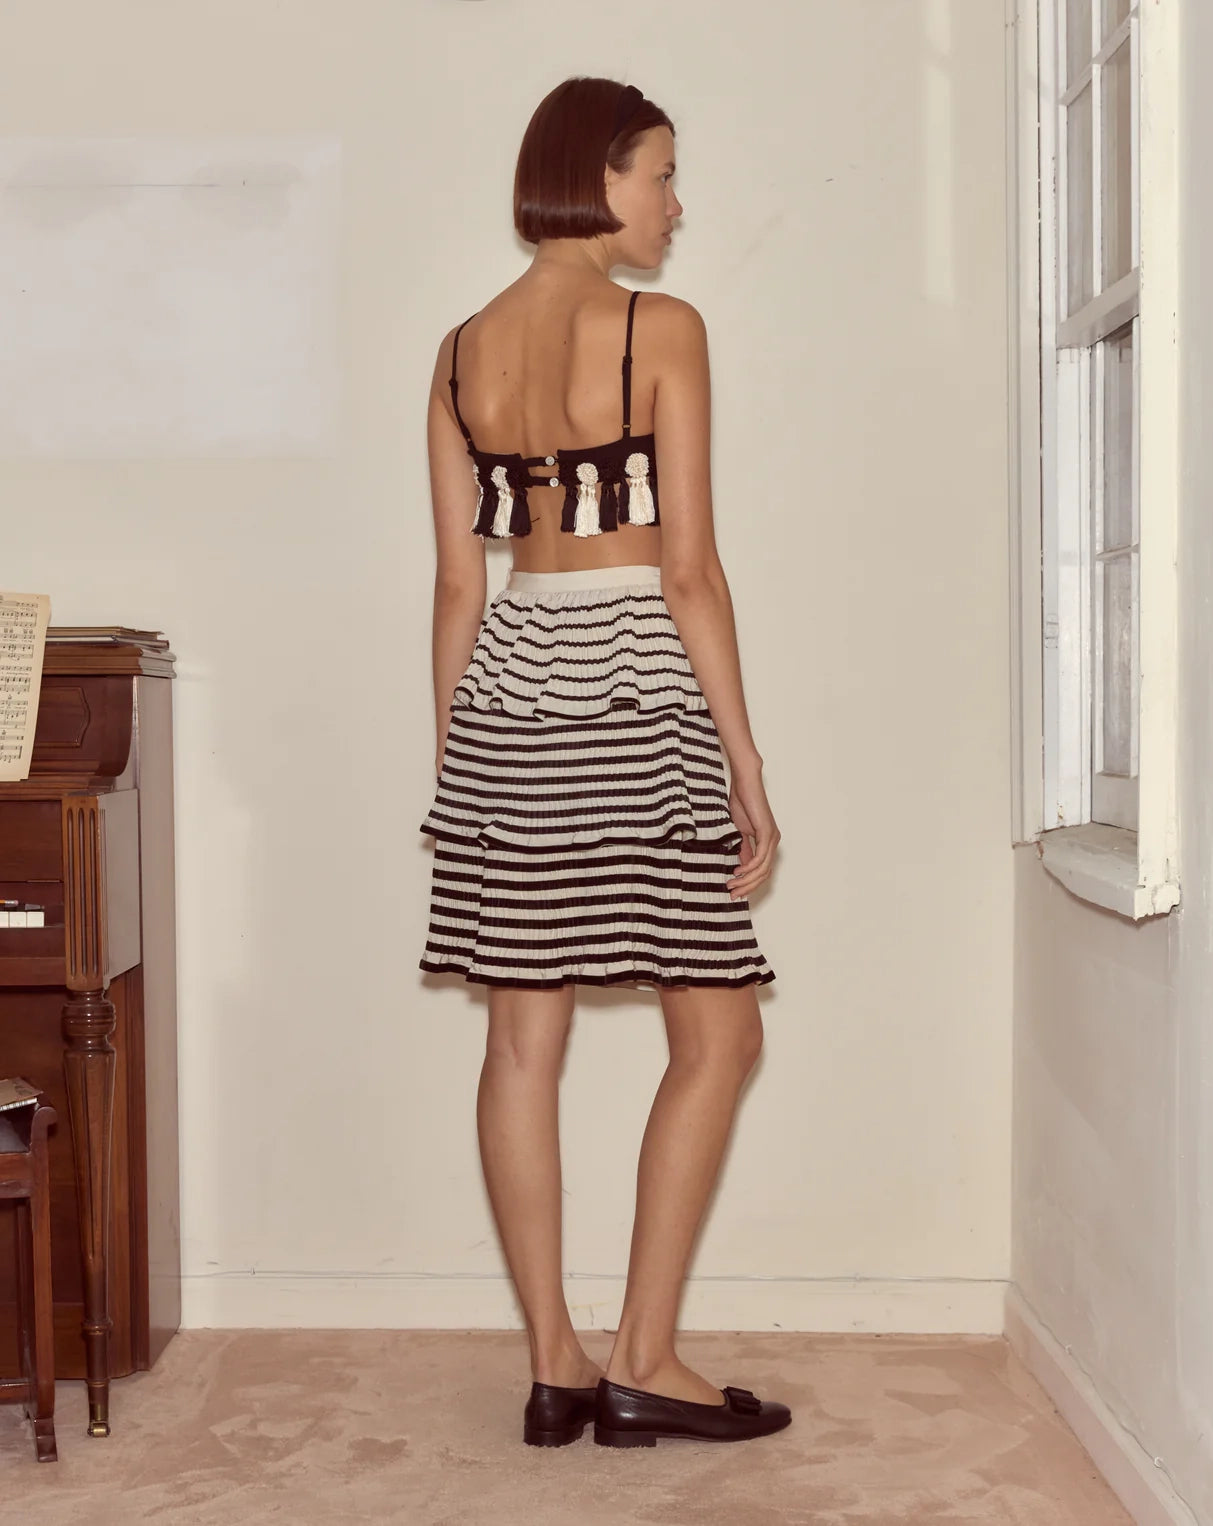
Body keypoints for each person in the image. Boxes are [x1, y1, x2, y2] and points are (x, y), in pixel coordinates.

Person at [417, 76, 787, 1449]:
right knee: (721, 1025)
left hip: (512, 690)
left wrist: (457, 771)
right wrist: (744, 761)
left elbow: (460, 589)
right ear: (598, 174)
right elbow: (687, 567)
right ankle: (644, 1357)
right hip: (635, 683)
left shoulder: (459, 349)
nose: (676, 207)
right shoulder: (658, 328)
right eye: (661, 176)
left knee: (522, 1039)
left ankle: (556, 1362)